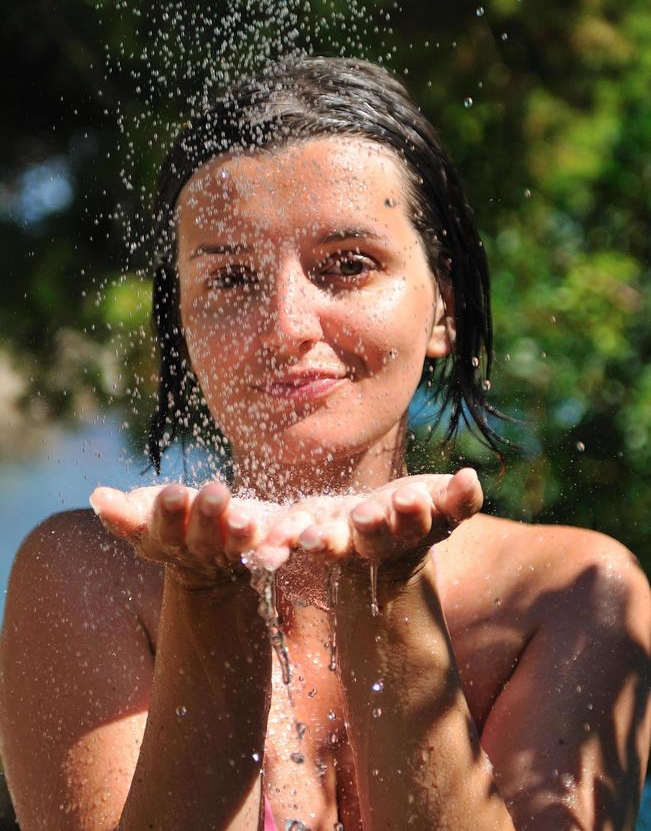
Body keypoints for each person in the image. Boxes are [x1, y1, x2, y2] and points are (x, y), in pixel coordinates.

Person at [0, 57, 649, 831]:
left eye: (348, 266)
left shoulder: (577, 592)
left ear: (442, 306)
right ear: (183, 327)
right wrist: (209, 605)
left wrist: (391, 595)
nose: (286, 328)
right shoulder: (85, 577)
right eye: (232, 280)